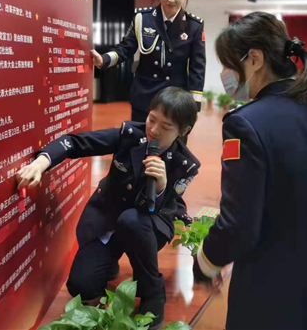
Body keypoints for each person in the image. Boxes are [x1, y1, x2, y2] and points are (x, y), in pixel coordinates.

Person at [193, 12, 307, 330]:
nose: (226, 75)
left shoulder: (247, 123)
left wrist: (205, 262)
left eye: (229, 64)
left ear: (254, 58)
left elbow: (238, 223)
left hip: (274, 294)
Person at [16, 87, 200, 329]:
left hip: (145, 226)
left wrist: (162, 187)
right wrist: (42, 162)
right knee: (81, 287)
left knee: (132, 221)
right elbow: (75, 142)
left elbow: (162, 210)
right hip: (108, 222)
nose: (153, 130)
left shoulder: (184, 165)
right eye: (151, 119)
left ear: (183, 131)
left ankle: (153, 294)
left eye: (165, 127)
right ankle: (109, 260)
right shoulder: (130, 135)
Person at [91, 0, 206, 123]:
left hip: (176, 99)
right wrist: (104, 59)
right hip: (145, 96)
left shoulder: (194, 26)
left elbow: (197, 67)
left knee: (172, 146)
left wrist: (194, 105)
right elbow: (126, 48)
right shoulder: (142, 18)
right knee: (140, 142)